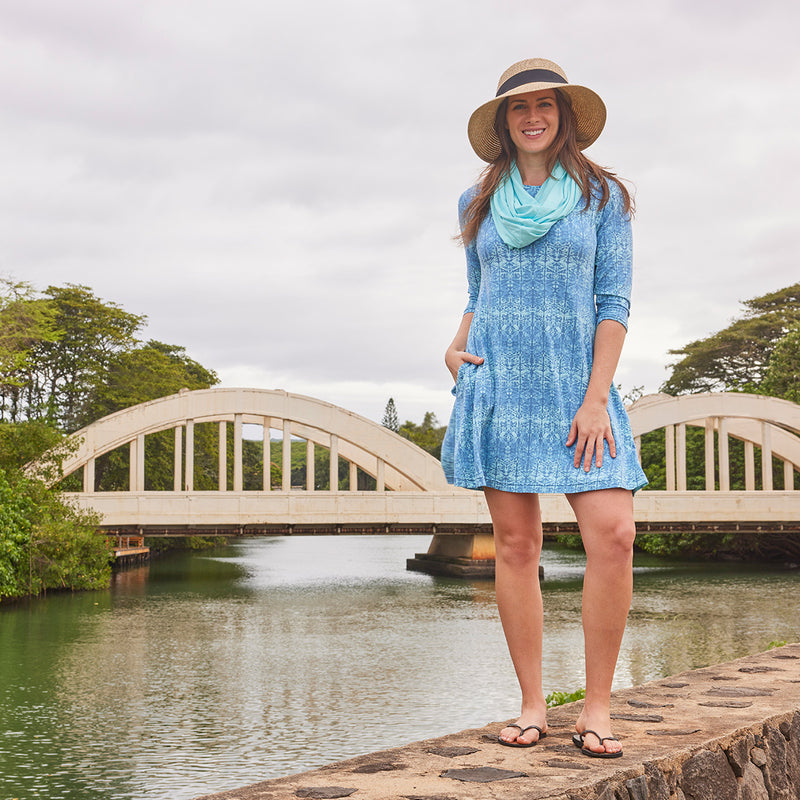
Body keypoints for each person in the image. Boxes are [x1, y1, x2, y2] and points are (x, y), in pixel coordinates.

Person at [440, 58, 648, 759]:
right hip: (501, 384)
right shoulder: (475, 203)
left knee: (614, 532)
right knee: (518, 547)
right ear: (503, 121)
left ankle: (596, 707)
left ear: (563, 115)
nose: (533, 116)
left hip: (576, 385)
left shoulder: (604, 198)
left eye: (545, 105)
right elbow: (479, 292)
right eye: (519, 107)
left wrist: (596, 400)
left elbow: (614, 305)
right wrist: (456, 344)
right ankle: (533, 705)